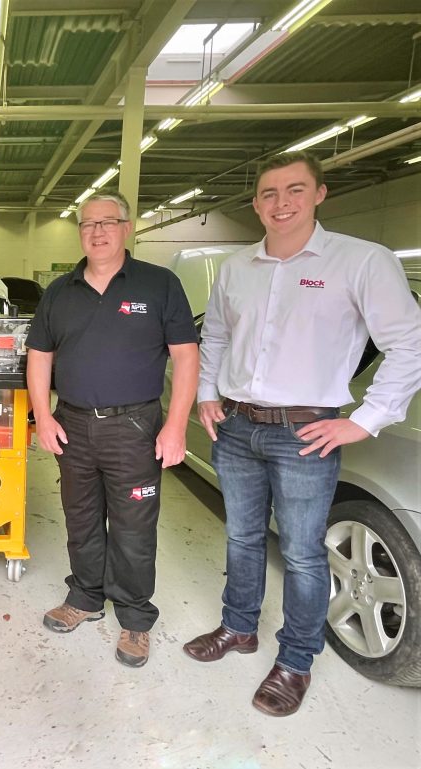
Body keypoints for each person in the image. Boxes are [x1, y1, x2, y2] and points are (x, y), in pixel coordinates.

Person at [183, 151, 421, 715]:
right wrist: (207, 394)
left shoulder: (362, 261)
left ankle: (295, 660)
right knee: (242, 538)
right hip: (237, 426)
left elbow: (408, 343)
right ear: (256, 203)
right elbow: (214, 336)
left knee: (304, 554)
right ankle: (239, 628)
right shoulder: (239, 268)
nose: (280, 203)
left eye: (294, 190)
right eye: (269, 193)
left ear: (319, 194)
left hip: (307, 434)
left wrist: (365, 420)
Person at [27, 192, 199, 668]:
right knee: (80, 519)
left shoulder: (159, 285)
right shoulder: (59, 292)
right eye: (87, 224)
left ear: (128, 227)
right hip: (74, 425)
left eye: (108, 222)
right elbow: (39, 358)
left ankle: (136, 620)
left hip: (136, 427)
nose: (97, 231)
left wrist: (176, 426)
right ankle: (85, 598)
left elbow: (186, 357)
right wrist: (44, 417)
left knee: (134, 528)